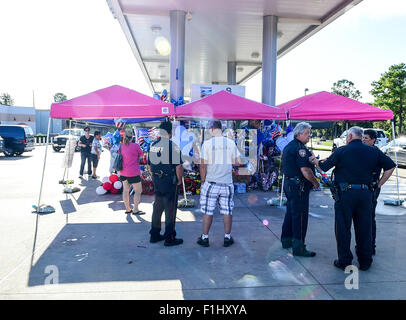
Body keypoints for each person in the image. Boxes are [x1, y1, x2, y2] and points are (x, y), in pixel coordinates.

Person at [310, 127, 395, 271]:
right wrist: (378, 185)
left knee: (343, 228)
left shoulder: (342, 150)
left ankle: (345, 261)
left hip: (345, 195)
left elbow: (323, 167)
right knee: (364, 228)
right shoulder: (373, 150)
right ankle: (365, 261)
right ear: (361, 137)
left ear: (349, 136)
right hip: (366, 193)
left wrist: (315, 161)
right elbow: (391, 167)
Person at [197, 120, 244, 248]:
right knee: (227, 211)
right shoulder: (230, 143)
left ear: (212, 128)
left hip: (211, 182)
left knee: (208, 211)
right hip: (227, 183)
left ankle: (205, 237)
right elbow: (237, 162)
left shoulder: (206, 144)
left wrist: (202, 181)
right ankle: (227, 237)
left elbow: (202, 165)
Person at [280, 122, 319, 257]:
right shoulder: (300, 149)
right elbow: (306, 170)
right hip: (298, 186)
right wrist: (315, 182)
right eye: (307, 133)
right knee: (300, 216)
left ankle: (286, 240)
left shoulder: (290, 146)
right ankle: (299, 247)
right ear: (299, 134)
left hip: (290, 184)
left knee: (291, 213)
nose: (309, 136)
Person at [148, 121, 184, 246]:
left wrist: (155, 177)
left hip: (157, 180)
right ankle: (169, 237)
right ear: (170, 132)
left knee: (157, 208)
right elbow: (179, 167)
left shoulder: (153, 145)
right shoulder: (172, 146)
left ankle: (154, 234)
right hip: (169, 181)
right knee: (170, 210)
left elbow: (149, 165)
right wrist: (179, 180)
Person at [362, 129, 396, 255]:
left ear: (373, 140)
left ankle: (371, 246)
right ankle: (363, 245)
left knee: (369, 218)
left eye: (366, 138)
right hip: (362, 189)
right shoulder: (363, 151)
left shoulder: (376, 152)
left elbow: (391, 167)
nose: (363, 140)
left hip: (371, 189)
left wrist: (380, 184)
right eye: (362, 138)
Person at [119, 127, 145, 215]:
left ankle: (127, 209)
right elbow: (141, 156)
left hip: (123, 172)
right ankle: (136, 209)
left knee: (125, 190)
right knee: (138, 191)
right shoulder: (136, 146)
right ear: (132, 137)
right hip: (133, 172)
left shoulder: (121, 146)